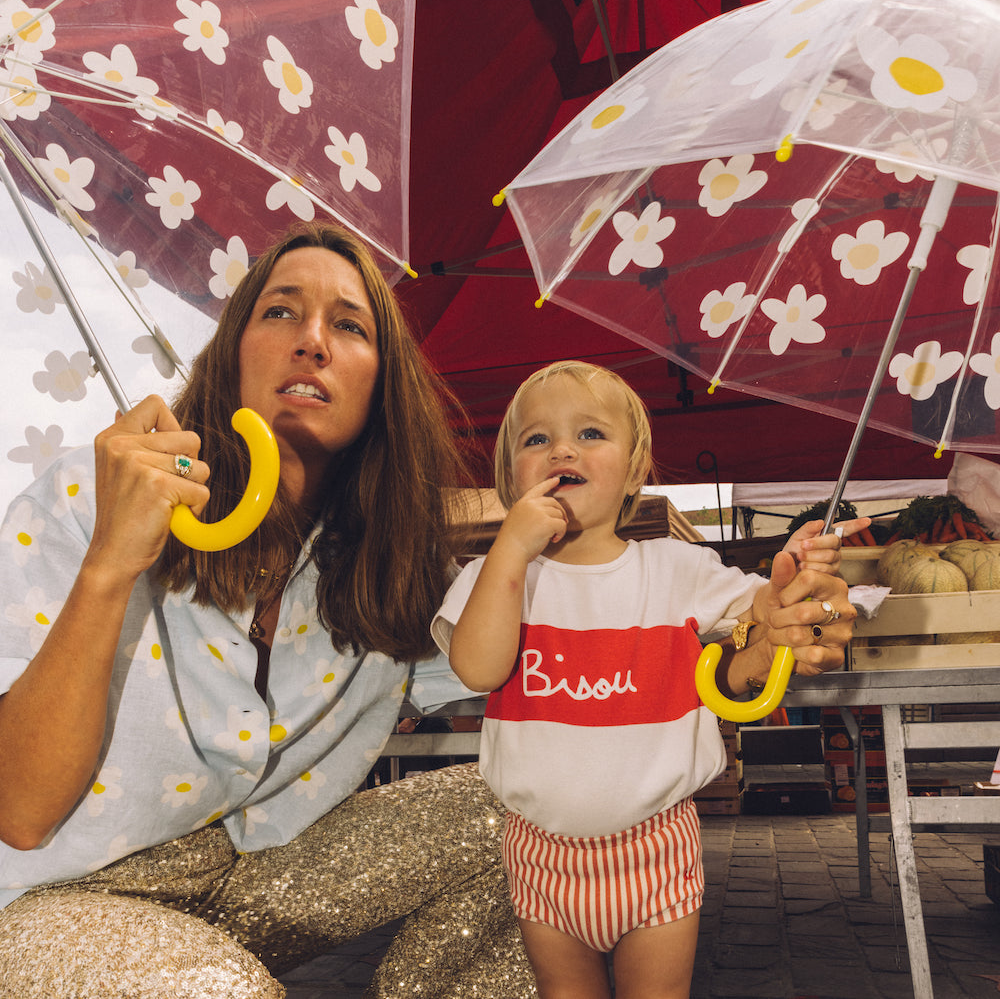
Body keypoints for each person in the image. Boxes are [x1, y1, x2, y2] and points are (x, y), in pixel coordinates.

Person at [0, 222, 537, 999]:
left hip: (242, 881)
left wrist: (749, 636)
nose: (312, 340)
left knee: (541, 808)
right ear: (233, 356)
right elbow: (18, 811)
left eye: (348, 324)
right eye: (281, 312)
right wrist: (111, 562)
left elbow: (556, 644)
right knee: (217, 990)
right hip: (46, 902)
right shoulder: (91, 495)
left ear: (382, 385)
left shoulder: (383, 566)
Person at [431, 360, 864, 999]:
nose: (563, 449)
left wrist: (791, 585)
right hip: (539, 854)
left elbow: (759, 615)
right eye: (536, 440)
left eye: (591, 434)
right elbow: (478, 667)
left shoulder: (677, 568)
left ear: (636, 468)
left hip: (656, 847)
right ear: (509, 478)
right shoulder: (493, 577)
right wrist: (510, 551)